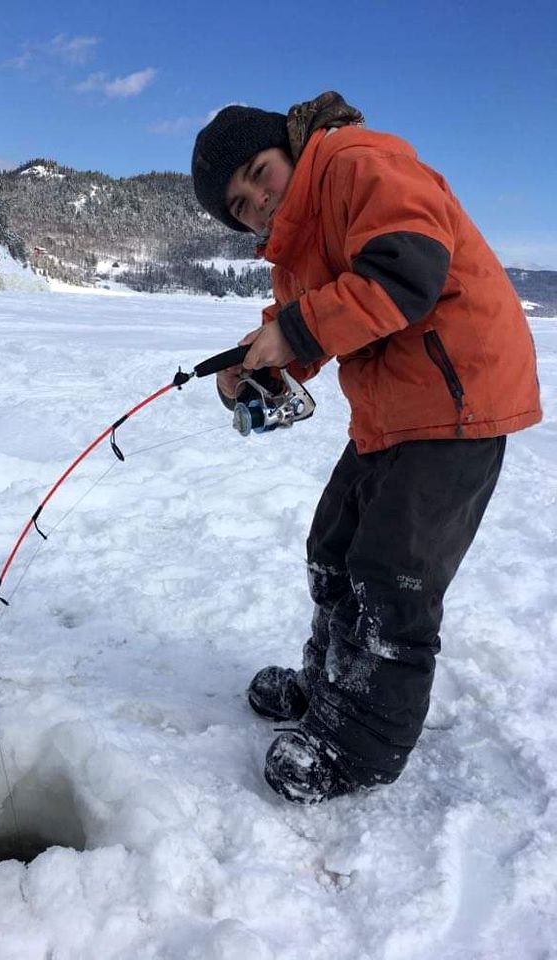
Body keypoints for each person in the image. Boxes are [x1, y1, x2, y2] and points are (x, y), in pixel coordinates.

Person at [191, 91, 542, 805]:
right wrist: (252, 369)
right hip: (392, 408)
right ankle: (330, 689)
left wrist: (293, 333)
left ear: (289, 148)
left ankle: (358, 745)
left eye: (260, 173)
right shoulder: (298, 240)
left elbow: (407, 270)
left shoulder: (357, 162)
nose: (258, 200)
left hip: (458, 400)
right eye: (241, 205)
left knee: (392, 578)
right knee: (334, 546)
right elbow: (314, 319)